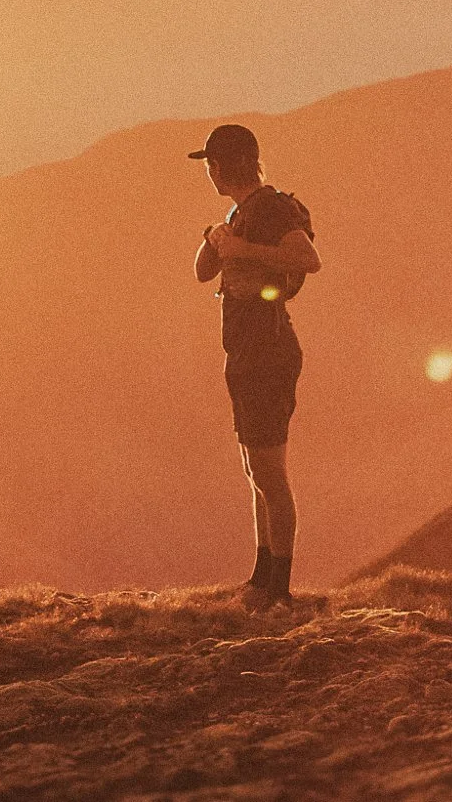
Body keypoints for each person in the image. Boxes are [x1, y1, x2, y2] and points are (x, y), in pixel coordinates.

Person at [190, 123, 320, 610]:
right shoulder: (239, 212)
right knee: (255, 471)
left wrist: (242, 249)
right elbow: (203, 272)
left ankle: (280, 591)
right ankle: (262, 576)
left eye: (210, 165)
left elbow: (308, 259)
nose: (208, 173)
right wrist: (215, 236)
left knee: (271, 474)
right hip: (245, 354)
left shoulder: (269, 208)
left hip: (268, 352)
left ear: (221, 166)